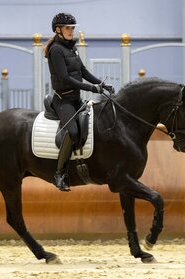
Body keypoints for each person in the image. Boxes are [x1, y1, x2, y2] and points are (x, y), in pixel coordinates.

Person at [44, 12, 113, 192]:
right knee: (73, 131)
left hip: (76, 99)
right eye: (68, 28)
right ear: (58, 30)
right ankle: (59, 173)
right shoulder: (56, 50)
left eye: (73, 28)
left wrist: (101, 84)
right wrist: (91, 89)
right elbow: (65, 78)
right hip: (62, 100)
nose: (71, 31)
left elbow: (83, 71)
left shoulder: (71, 48)